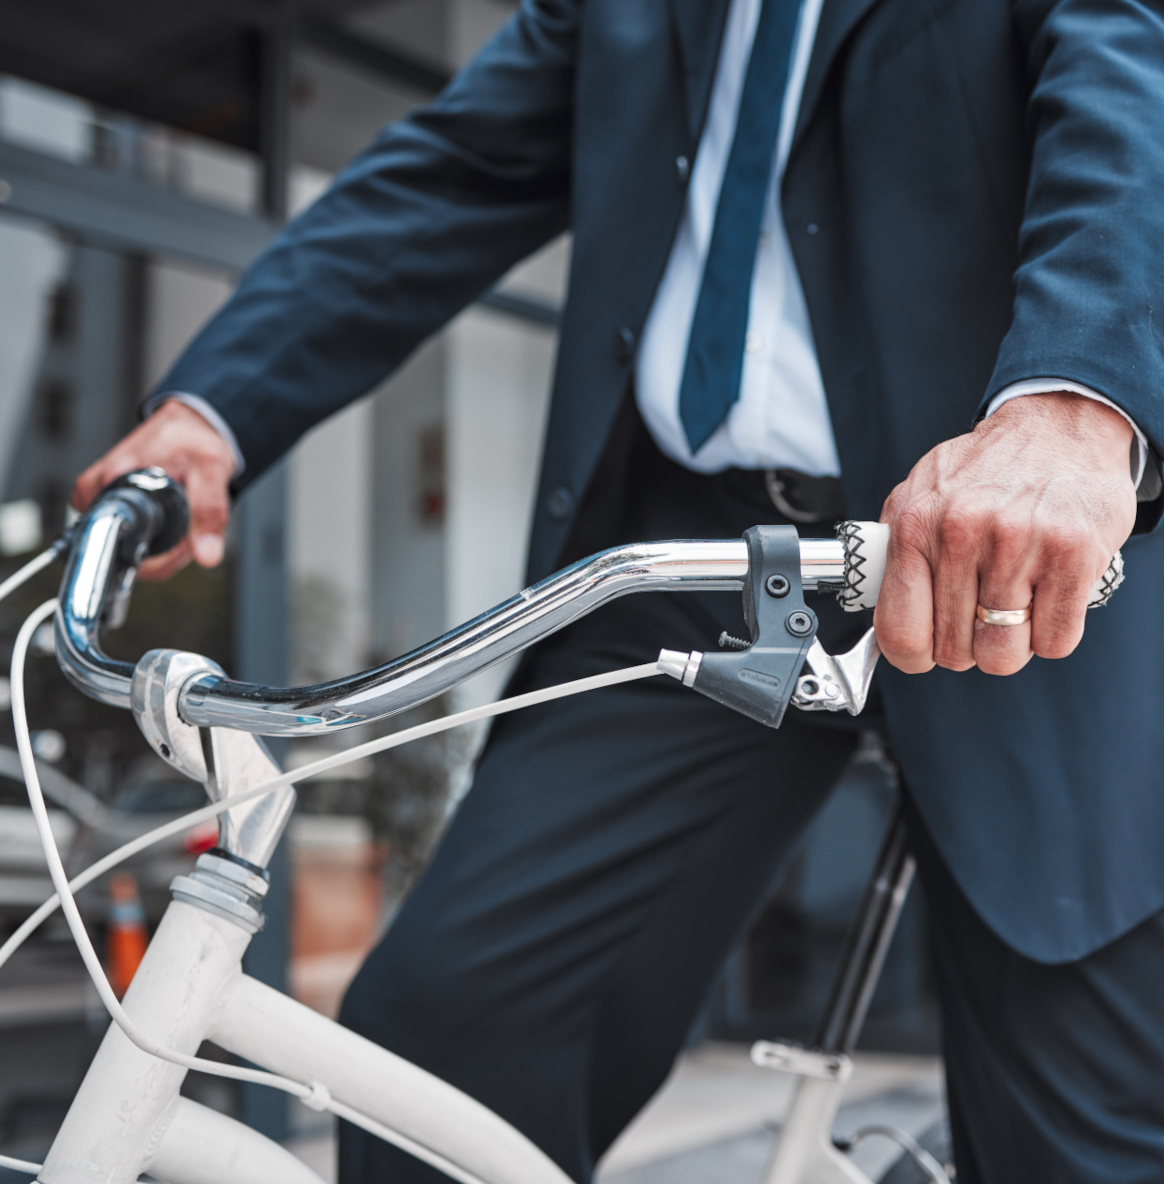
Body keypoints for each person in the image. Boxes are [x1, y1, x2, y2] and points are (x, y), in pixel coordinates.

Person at [73, 1, 1164, 1180]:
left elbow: (1132, 92)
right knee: (440, 1039)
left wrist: (1073, 397)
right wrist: (213, 409)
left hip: (1012, 543)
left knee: (1076, 1129)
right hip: (712, 561)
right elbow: (446, 173)